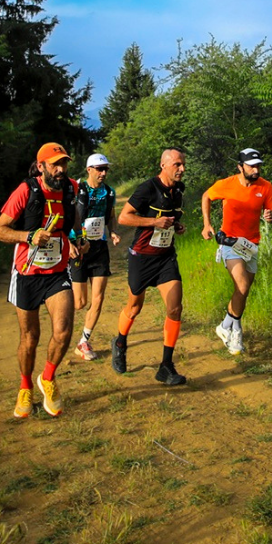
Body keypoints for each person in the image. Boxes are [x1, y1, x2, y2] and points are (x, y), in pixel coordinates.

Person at [0, 142, 88, 418]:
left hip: (57, 272)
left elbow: (74, 217)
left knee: (64, 329)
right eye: (55, 164)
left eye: (64, 164)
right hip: (27, 273)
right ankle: (25, 388)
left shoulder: (71, 187)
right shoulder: (27, 190)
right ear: (42, 165)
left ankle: (47, 377)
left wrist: (78, 237)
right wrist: (28, 236)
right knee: (30, 337)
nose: (60, 169)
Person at [111, 147, 188, 386]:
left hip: (165, 258)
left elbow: (171, 218)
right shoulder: (147, 188)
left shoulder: (179, 190)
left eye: (183, 164)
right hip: (141, 257)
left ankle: (166, 366)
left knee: (175, 308)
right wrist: (154, 221)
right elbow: (124, 217)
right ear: (163, 165)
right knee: (134, 307)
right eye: (177, 164)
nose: (182, 169)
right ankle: (121, 342)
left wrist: (176, 227)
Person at [201, 148, 272, 356]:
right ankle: (235, 332)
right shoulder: (226, 184)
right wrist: (207, 225)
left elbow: (271, 211)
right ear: (240, 167)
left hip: (251, 245)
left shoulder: (265, 187)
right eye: (251, 166)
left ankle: (227, 327)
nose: (256, 169)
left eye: (258, 165)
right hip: (230, 242)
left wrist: (270, 216)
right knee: (241, 284)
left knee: (242, 292)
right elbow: (206, 196)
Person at [70, 153, 121, 361]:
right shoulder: (76, 189)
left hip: (99, 247)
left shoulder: (109, 192)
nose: (103, 173)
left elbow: (111, 216)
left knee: (98, 297)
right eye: (99, 169)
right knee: (79, 302)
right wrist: (70, 242)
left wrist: (114, 231)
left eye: (106, 169)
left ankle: (83, 341)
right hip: (79, 247)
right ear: (89, 169)